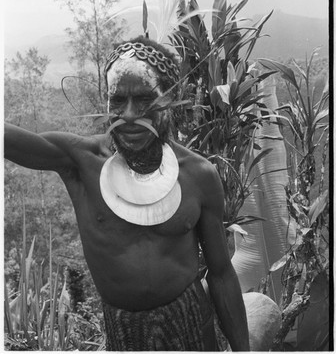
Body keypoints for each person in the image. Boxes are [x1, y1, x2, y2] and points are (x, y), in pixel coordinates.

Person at [5, 35, 250, 351]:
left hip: (190, 327)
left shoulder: (199, 175)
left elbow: (220, 273)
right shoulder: (80, 161)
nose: (130, 115)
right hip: (123, 335)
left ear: (170, 100)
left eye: (145, 99)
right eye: (117, 100)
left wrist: (243, 349)